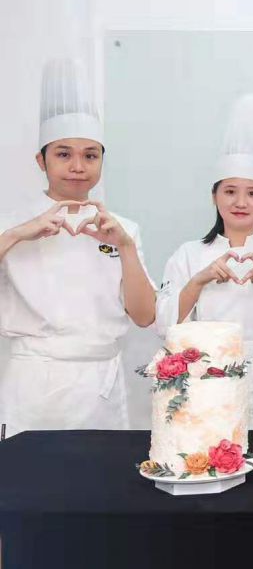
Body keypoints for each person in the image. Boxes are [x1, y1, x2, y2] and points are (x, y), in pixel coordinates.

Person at [0, 58, 156, 437]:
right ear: (41, 160)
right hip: (33, 381)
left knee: (96, 473)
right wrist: (18, 234)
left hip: (99, 385)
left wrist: (125, 247)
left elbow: (144, 316)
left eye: (90, 155)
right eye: (63, 154)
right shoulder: (12, 223)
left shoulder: (123, 229)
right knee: (28, 473)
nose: (78, 166)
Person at [156, 94, 253, 428]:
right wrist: (198, 280)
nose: (240, 202)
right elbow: (165, 325)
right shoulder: (189, 254)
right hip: (206, 377)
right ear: (214, 196)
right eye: (230, 191)